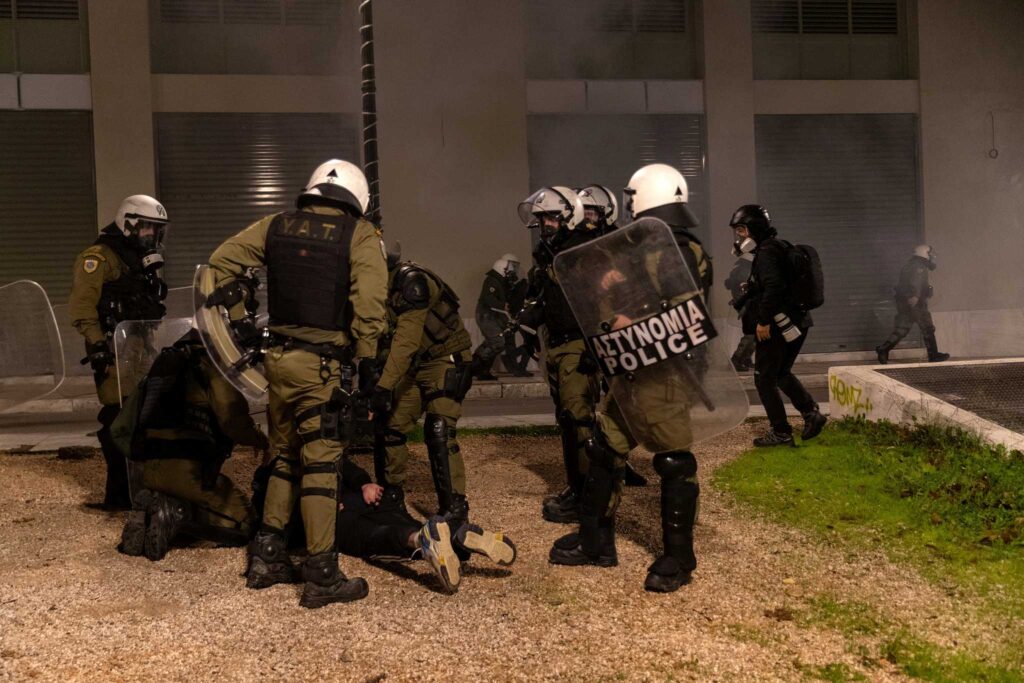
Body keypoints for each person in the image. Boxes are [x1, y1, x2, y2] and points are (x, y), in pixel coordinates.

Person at [208, 158, 388, 609]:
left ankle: (267, 557)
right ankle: (322, 575)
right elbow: (369, 300)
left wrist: (239, 318)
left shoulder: (276, 225)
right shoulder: (359, 234)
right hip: (320, 367)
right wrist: (368, 358)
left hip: (278, 361)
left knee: (285, 457)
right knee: (322, 464)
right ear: (356, 198)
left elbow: (221, 261)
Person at [548, 164, 712, 592]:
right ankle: (595, 542)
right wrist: (614, 284)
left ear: (646, 195)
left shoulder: (676, 249)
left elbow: (687, 316)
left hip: (665, 373)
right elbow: (648, 296)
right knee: (604, 449)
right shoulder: (652, 246)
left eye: (632, 195)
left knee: (673, 460)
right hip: (635, 366)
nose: (628, 202)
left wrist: (632, 318)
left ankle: (679, 559)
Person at [112, 330, 270, 561]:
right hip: (188, 470)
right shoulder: (211, 368)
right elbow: (232, 421)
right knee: (245, 525)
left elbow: (122, 427)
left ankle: (154, 508)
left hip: (150, 468)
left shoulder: (164, 364)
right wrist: (261, 440)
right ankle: (175, 513)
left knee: (199, 502)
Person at [69, 195, 170, 511]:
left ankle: (141, 487)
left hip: (140, 348)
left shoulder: (136, 259)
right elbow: (82, 307)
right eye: (148, 227)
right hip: (113, 349)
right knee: (117, 418)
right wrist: (98, 345)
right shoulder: (99, 257)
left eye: (156, 229)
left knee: (142, 417)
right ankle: (118, 495)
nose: (152, 235)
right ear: (129, 224)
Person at [370, 252, 476, 533]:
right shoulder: (372, 288)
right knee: (390, 428)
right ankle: (391, 499)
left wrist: (383, 386)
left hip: (445, 357)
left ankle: (454, 508)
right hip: (414, 363)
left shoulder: (411, 282)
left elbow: (405, 341)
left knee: (439, 428)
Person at [333, 459, 516, 594]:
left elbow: (343, 466)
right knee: (408, 525)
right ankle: (454, 536)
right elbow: (344, 464)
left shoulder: (316, 454)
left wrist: (363, 484)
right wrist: (364, 484)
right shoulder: (323, 449)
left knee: (375, 536)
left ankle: (422, 540)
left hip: (340, 514)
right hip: (359, 503)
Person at [729, 204, 827, 447]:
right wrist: (753, 287)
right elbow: (777, 283)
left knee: (764, 378)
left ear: (754, 228)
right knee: (781, 373)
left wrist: (763, 321)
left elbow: (775, 287)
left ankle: (781, 432)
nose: (738, 236)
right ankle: (811, 413)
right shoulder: (778, 247)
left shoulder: (767, 252)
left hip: (778, 325)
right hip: (797, 321)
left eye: (741, 230)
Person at [876, 245, 949, 364]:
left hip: (905, 303)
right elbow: (916, 282)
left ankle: (883, 349)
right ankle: (934, 355)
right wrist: (915, 296)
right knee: (928, 328)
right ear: (924, 254)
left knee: (902, 329)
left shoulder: (910, 264)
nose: (932, 257)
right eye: (930, 254)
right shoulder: (919, 266)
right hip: (916, 304)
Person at [470, 254, 528, 380]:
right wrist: (502, 305)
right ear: (503, 267)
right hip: (487, 315)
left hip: (493, 316)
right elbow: (489, 298)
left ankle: (479, 368)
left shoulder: (501, 282)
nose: (514, 269)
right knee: (497, 342)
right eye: (512, 266)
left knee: (493, 343)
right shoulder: (492, 281)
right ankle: (475, 366)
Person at [724, 231, 756, 372]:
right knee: (751, 334)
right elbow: (745, 289)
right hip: (747, 305)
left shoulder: (740, 268)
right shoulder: (744, 270)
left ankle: (745, 359)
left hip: (746, 304)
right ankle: (736, 360)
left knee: (753, 333)